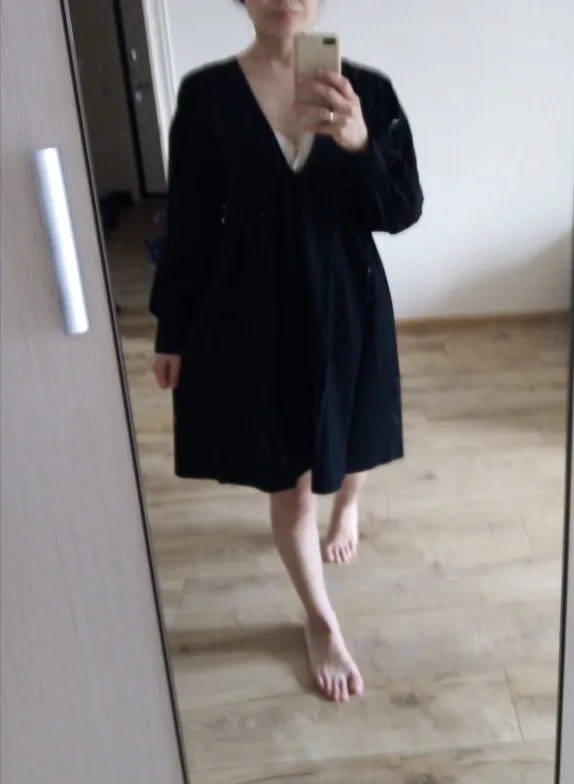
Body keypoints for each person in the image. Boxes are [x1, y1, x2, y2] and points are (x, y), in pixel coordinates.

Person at [150, 0, 423, 702]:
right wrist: (172, 328)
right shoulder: (207, 95)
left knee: (355, 437)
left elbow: (400, 209)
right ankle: (321, 619)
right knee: (289, 475)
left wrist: (359, 142)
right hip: (255, 311)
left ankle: (349, 504)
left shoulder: (368, 90)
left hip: (348, 302)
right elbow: (189, 221)